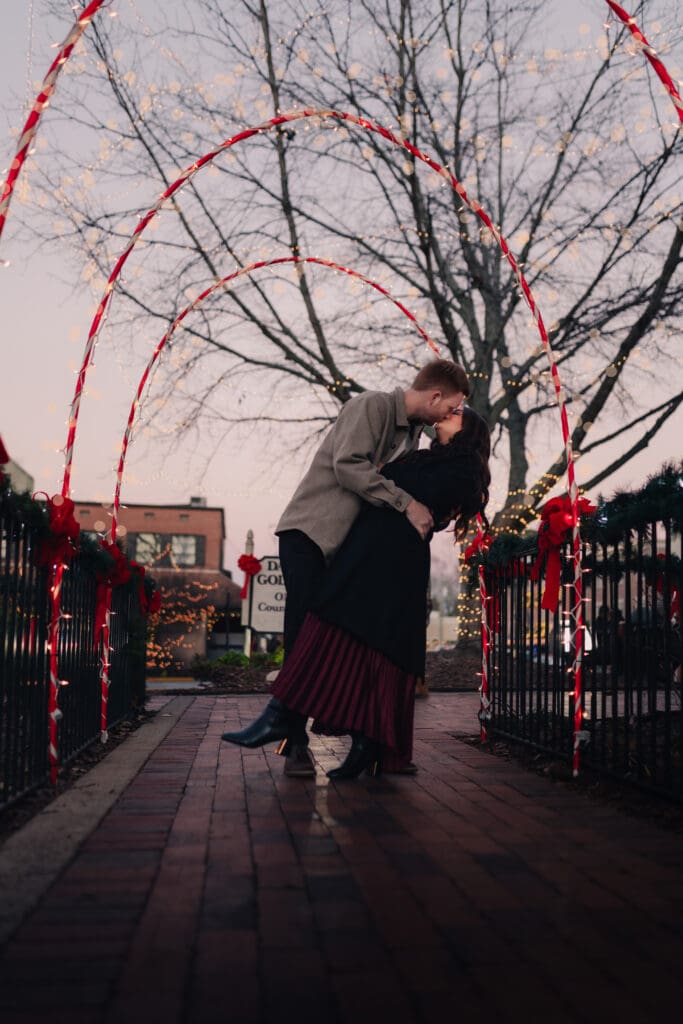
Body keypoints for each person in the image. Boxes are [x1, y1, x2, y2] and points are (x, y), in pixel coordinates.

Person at [222, 360, 469, 777]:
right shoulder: (372, 406)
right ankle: (293, 745)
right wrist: (406, 504)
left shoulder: (411, 435)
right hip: (310, 534)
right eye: (452, 405)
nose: (451, 414)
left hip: (346, 550)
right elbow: (349, 465)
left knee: (332, 638)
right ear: (435, 395)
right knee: (304, 635)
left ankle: (339, 731)